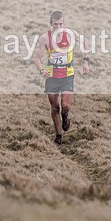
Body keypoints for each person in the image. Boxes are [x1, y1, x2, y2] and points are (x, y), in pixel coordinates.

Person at [33, 11, 91, 145]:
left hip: (67, 75)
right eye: (55, 24)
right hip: (52, 76)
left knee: (65, 105)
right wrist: (42, 70)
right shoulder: (45, 38)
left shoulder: (70, 34)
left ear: (64, 23)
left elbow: (86, 42)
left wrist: (86, 61)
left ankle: (65, 116)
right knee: (54, 107)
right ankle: (58, 135)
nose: (58, 27)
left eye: (61, 24)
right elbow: (37, 59)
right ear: (50, 23)